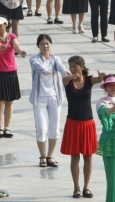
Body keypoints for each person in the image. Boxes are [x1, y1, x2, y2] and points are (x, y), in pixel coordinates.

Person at [61, 56, 105, 198]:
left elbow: (98, 80)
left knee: (88, 157)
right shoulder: (67, 80)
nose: (72, 68)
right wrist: (72, 75)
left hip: (87, 123)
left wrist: (101, 77)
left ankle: (86, 187)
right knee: (75, 157)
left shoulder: (88, 80)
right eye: (70, 66)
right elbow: (65, 79)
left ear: (82, 66)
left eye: (74, 66)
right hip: (73, 123)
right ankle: (76, 187)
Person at [29, 34, 68, 168]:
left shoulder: (56, 59)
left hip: (54, 98)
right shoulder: (34, 59)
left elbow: (61, 68)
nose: (45, 46)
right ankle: (42, 156)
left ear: (50, 45)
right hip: (39, 98)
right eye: (42, 44)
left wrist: (68, 74)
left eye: (47, 43)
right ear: (38, 46)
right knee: (41, 128)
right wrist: (45, 71)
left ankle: (50, 156)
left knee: (54, 128)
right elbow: (37, 66)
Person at [0, 15, 27, 138]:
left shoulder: (11, 36)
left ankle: (7, 127)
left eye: (0, 24)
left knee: (9, 102)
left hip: (10, 72)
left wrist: (20, 51)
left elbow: (16, 45)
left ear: (6, 24)